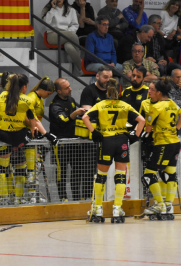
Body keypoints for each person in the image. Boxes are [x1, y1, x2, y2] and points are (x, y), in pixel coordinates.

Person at [0, 74, 58, 205]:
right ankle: (19, 197)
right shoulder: (26, 100)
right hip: (19, 138)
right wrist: (40, 133)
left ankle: (0, 199)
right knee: (22, 165)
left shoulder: (2, 96)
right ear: (24, 86)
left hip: (3, 135)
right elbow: (33, 122)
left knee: (1, 168)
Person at [83, 78, 145, 222]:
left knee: (101, 175)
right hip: (122, 141)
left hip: (106, 141)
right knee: (120, 175)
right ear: (120, 90)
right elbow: (141, 120)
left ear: (106, 89)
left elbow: (85, 117)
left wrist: (93, 131)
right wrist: (135, 136)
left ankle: (97, 209)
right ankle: (117, 209)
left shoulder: (100, 105)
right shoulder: (124, 105)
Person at [142, 79, 181, 217]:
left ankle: (159, 205)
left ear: (159, 92)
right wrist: (176, 129)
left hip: (163, 144)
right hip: (175, 142)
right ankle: (168, 205)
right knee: (169, 174)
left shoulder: (156, 107)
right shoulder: (172, 103)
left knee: (149, 174)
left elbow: (148, 129)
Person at [49, 78, 87, 201]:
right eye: (66, 88)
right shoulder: (55, 105)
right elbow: (63, 120)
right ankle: (63, 199)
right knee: (61, 173)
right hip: (61, 144)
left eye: (70, 86)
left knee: (77, 171)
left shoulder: (71, 100)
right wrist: (76, 113)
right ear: (59, 91)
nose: (70, 89)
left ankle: (76, 198)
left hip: (74, 142)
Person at [80, 65, 113, 200]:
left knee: (105, 169)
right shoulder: (89, 90)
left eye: (110, 77)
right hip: (92, 138)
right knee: (89, 170)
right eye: (105, 77)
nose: (108, 80)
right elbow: (88, 112)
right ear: (97, 76)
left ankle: (103, 197)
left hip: (108, 136)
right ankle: (88, 197)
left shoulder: (111, 91)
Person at [24, 77, 55, 202]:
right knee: (32, 167)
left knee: (35, 167)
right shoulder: (31, 98)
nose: (48, 95)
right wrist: (33, 127)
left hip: (36, 133)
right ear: (42, 89)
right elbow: (26, 116)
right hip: (30, 133)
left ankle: (34, 194)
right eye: (48, 93)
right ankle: (31, 196)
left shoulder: (40, 99)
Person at [42, 0, 82, 75]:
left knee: (69, 47)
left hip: (67, 34)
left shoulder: (71, 10)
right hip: (53, 34)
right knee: (73, 36)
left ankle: (78, 69)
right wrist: (53, 8)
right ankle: (82, 67)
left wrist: (68, 32)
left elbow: (75, 25)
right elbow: (46, 23)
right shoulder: (49, 9)